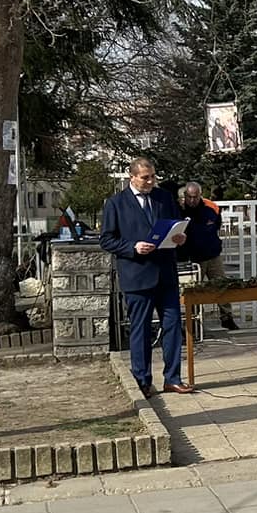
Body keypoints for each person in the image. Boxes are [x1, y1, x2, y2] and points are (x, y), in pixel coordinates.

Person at [99, 157, 189, 394]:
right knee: (140, 329)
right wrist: (133, 247)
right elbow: (106, 240)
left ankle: (172, 378)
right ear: (132, 177)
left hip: (165, 273)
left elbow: (175, 225)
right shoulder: (116, 203)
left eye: (153, 177)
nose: (150, 181)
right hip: (137, 275)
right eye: (145, 178)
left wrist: (180, 237)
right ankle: (142, 380)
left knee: (173, 325)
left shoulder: (164, 198)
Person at [178, 181, 236, 330]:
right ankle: (194, 321)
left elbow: (217, 225)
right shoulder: (179, 210)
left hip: (212, 255)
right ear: (185, 195)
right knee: (194, 290)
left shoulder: (211, 208)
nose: (192, 200)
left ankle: (227, 317)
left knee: (221, 285)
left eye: (195, 197)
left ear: (200, 195)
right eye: (189, 197)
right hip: (193, 258)